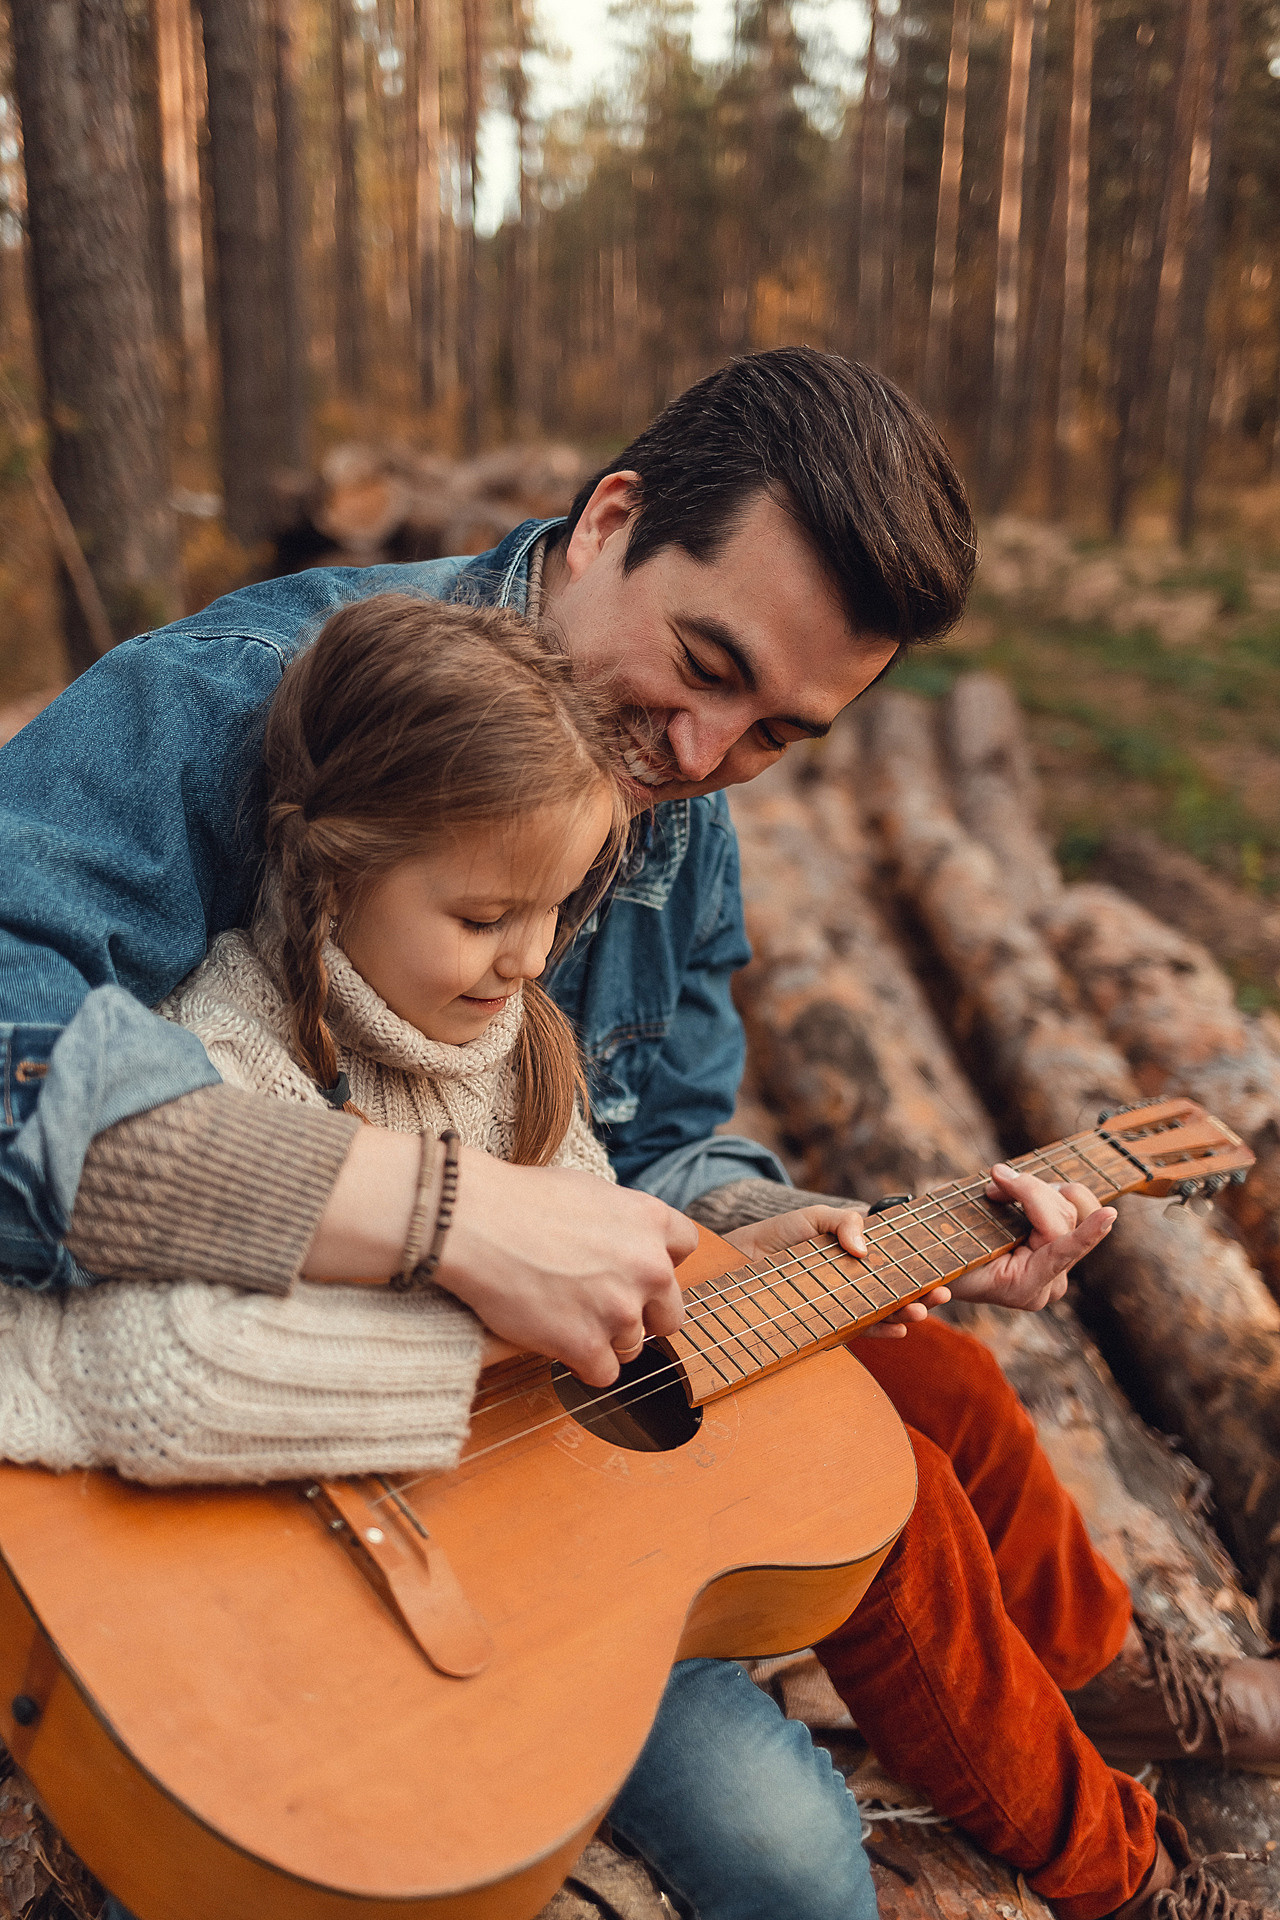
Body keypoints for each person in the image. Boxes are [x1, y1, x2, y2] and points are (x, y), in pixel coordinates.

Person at [1, 348, 1275, 1920]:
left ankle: (1100, 1676)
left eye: (774, 735)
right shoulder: (235, 698)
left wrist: (759, 1216)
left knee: (815, 1814)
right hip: (206, 1495)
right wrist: (437, 1208)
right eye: (704, 661)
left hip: (524, 1475)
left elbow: (665, 1132)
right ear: (610, 520)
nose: (698, 755)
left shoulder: (680, 820)